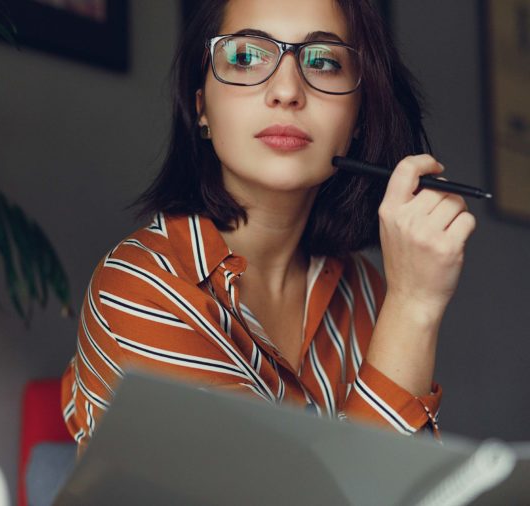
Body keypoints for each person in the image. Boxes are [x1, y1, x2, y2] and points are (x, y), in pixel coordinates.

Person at [61, 0, 476, 457]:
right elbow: (273, 489)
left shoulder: (365, 290)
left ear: (358, 119)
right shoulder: (140, 288)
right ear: (201, 108)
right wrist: (413, 307)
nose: (286, 91)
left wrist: (405, 304)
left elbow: (412, 483)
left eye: (323, 62)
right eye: (245, 56)